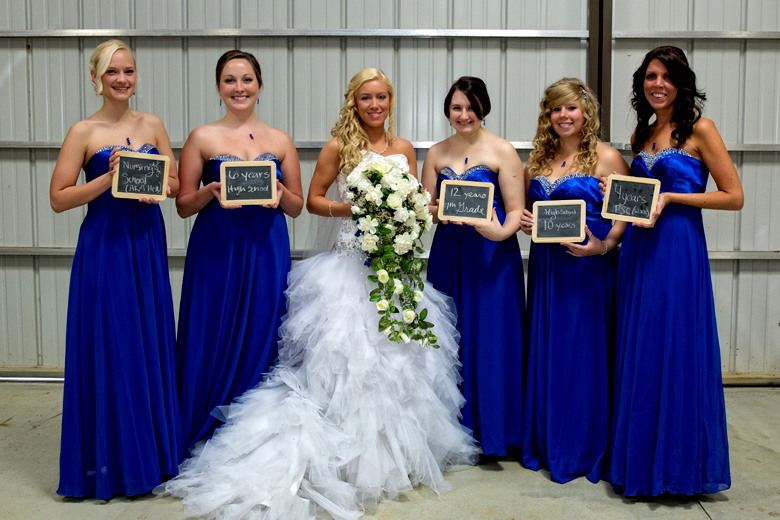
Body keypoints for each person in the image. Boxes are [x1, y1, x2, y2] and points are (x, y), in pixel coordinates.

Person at [161, 68, 476, 519]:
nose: (374, 105)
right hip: (347, 264)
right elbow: (312, 199)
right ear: (354, 101)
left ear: (391, 100)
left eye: (382, 97)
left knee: (401, 362)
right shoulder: (337, 148)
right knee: (346, 364)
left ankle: (398, 454)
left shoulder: (405, 148)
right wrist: (356, 207)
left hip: (392, 265)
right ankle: (342, 451)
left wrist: (407, 210)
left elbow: (419, 201)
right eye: (366, 98)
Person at [50, 39, 182, 499]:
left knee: (145, 343)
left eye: (128, 71)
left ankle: (151, 457)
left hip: (145, 243)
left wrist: (158, 188)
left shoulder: (153, 124)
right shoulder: (83, 131)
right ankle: (108, 462)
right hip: (105, 247)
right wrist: (108, 179)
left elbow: (175, 180)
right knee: (111, 344)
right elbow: (58, 197)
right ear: (96, 79)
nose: (122, 79)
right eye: (112, 73)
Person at [608, 46, 743, 496]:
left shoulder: (700, 129)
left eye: (666, 76)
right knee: (643, 348)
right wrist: (616, 190)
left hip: (678, 249)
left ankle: (679, 467)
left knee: (677, 346)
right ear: (641, 83)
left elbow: (733, 195)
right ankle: (641, 464)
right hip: (639, 250)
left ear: (681, 82)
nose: (657, 84)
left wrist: (673, 198)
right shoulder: (642, 135)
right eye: (650, 76)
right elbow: (634, 198)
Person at [174, 50, 304, 456]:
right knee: (212, 327)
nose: (239, 88)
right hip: (217, 248)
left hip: (266, 247)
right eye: (230, 80)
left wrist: (281, 194)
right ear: (218, 88)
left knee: (264, 328)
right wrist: (209, 193)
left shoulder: (280, 140)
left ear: (259, 86)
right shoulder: (202, 137)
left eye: (246, 79)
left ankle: (257, 428)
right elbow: (181, 205)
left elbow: (297, 205)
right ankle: (203, 418)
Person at [519, 78, 628, 483]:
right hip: (549, 268)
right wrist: (529, 224)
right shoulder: (536, 161)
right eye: (556, 109)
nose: (563, 116)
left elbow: (625, 214)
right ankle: (551, 439)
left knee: (584, 355)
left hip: (588, 268)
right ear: (548, 115)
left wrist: (604, 246)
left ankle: (584, 445)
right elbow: (530, 215)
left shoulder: (607, 158)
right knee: (552, 351)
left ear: (586, 113)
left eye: (571, 109)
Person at [422, 76, 526, 458]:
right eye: (456, 108)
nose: (464, 115)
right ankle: (452, 428)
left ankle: (496, 430)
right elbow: (427, 207)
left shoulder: (503, 151)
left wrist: (497, 233)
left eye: (471, 107)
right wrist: (438, 212)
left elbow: (516, 210)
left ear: (483, 107)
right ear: (448, 111)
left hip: (491, 255)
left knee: (492, 336)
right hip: (450, 252)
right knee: (450, 335)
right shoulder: (436, 153)